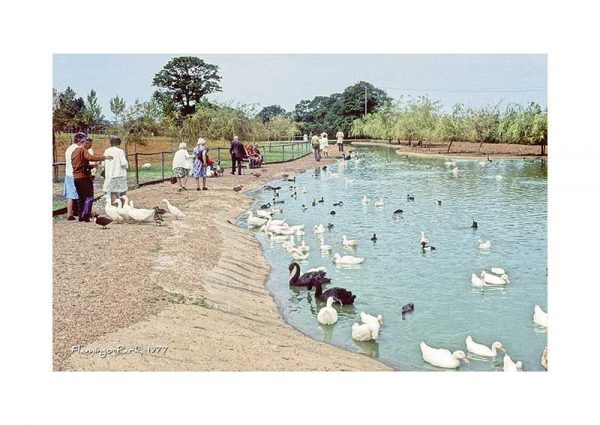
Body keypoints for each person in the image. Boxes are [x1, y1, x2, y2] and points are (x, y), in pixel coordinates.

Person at [71, 132, 113, 222]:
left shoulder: (74, 151)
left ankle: (80, 215)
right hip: (84, 177)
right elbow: (90, 157)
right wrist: (104, 157)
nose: (89, 145)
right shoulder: (82, 150)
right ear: (84, 142)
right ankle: (86, 215)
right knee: (89, 196)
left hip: (76, 178)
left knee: (81, 197)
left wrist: (92, 166)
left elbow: (79, 165)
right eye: (87, 142)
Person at [102, 135, 129, 202]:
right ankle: (122, 207)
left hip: (110, 175)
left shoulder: (106, 151)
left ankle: (115, 208)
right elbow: (124, 163)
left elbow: (103, 164)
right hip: (120, 174)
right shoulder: (120, 151)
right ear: (119, 143)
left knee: (113, 192)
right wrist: (126, 166)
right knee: (123, 192)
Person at [63, 137, 80, 220]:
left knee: (70, 194)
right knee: (81, 193)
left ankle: (69, 213)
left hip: (68, 174)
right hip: (76, 174)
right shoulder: (78, 149)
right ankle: (83, 212)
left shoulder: (69, 148)